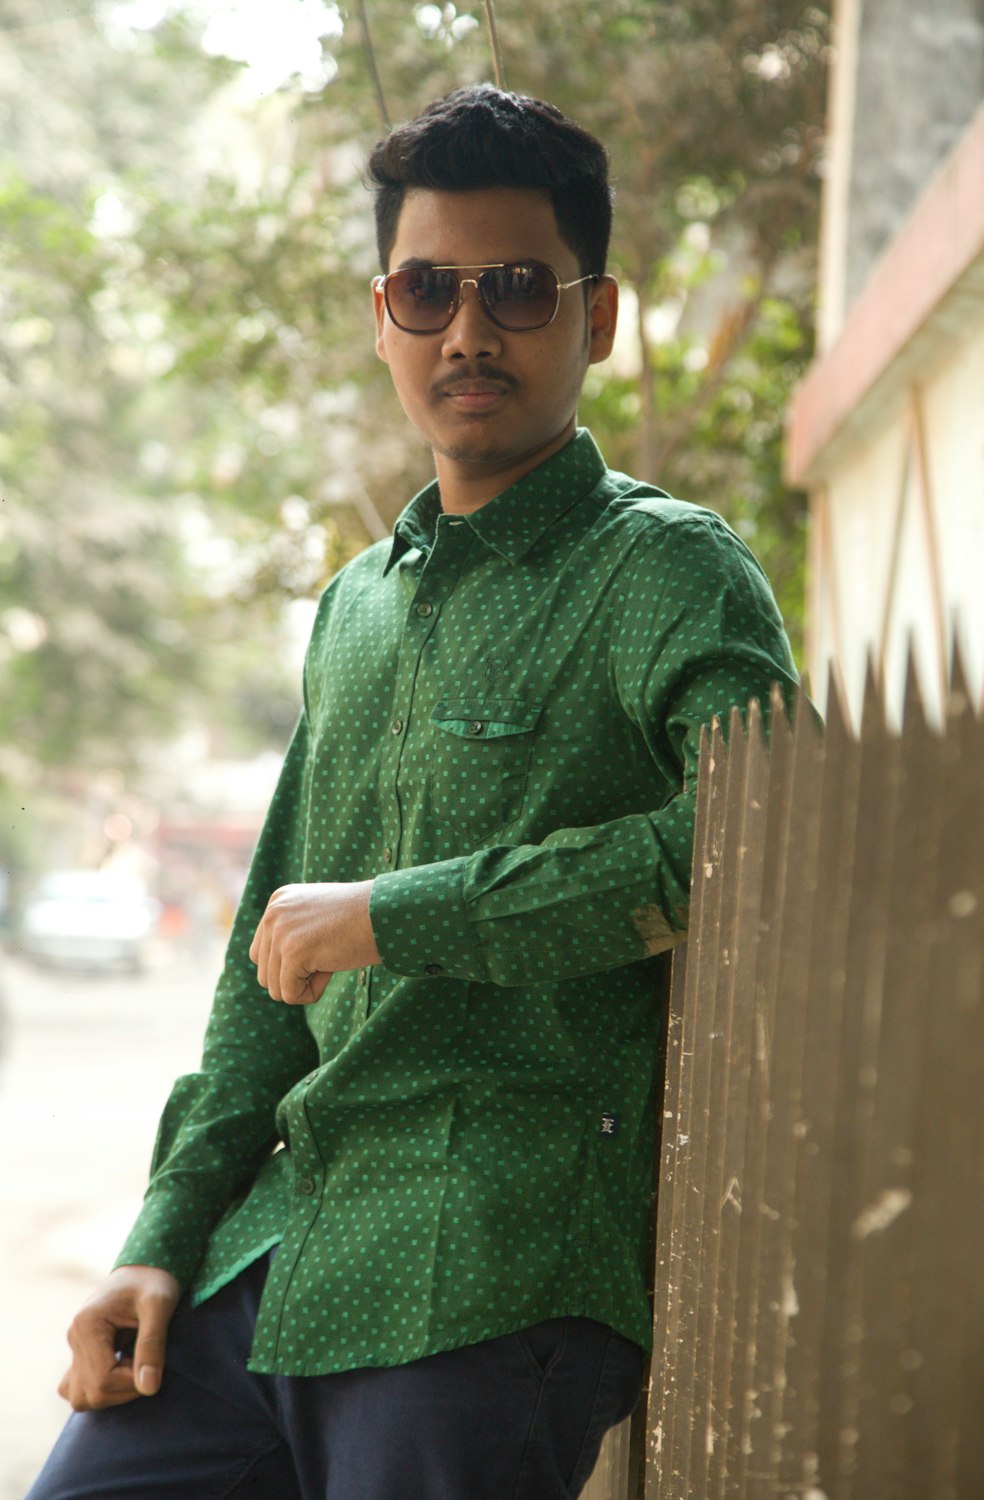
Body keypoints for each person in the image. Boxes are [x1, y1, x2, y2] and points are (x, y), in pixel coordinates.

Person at [29, 85, 798, 1500]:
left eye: (517, 289)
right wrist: (161, 1235)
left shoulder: (667, 575)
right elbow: (267, 953)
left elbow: (751, 847)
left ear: (599, 316)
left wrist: (406, 911)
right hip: (276, 1252)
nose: (468, 331)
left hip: (486, 1273)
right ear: (383, 311)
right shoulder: (354, 609)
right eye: (426, 287)